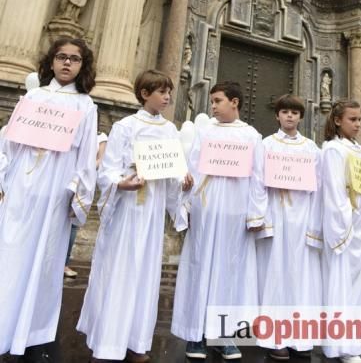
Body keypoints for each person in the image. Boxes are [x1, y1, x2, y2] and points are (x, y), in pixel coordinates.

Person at [77, 70, 191, 362]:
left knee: (145, 273)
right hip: (128, 209)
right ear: (144, 94)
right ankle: (108, 342)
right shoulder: (125, 126)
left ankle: (137, 341)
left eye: (169, 92)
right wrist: (120, 183)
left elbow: (173, 170)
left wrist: (182, 180)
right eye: (161, 92)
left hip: (151, 211)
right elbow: (108, 169)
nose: (167, 97)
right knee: (121, 270)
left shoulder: (170, 130)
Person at [0, 37, 97, 357]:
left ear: (83, 66)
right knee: (8, 255)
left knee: (44, 260)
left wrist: (75, 192)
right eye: (61, 57)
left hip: (54, 192)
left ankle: (31, 332)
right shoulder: (33, 97)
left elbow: (86, 156)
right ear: (51, 62)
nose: (67, 63)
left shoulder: (85, 105)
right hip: (19, 190)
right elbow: (9, 144)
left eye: (74, 59)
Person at [171, 80, 267, 361]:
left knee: (229, 272)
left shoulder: (251, 135)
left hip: (234, 211)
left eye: (218, 101)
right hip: (206, 208)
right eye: (212, 101)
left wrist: (255, 213)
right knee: (200, 267)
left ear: (234, 102)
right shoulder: (205, 131)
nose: (212, 106)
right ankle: (196, 334)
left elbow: (258, 177)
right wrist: (186, 195)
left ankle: (223, 335)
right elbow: (193, 166)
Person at [256, 94, 322, 360]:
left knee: (300, 277)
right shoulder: (266, 145)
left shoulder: (311, 149)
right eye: (285, 112)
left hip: (302, 217)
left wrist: (315, 224)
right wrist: (260, 217)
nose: (290, 116)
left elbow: (319, 188)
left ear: (301, 117)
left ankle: (300, 337)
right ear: (277, 116)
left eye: (294, 112)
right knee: (277, 275)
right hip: (277, 213)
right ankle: (275, 338)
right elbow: (258, 182)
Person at [321, 99, 361, 363]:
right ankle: (343, 346)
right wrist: (345, 224)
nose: (358, 124)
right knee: (343, 286)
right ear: (337, 121)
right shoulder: (333, 150)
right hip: (346, 227)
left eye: (359, 119)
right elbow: (334, 191)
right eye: (352, 119)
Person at [64, 132, 108, 279]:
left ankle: (64, 263)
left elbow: (100, 160)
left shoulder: (101, 138)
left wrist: (84, 169)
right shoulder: (75, 134)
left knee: (73, 222)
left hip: (83, 184)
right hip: (66, 178)